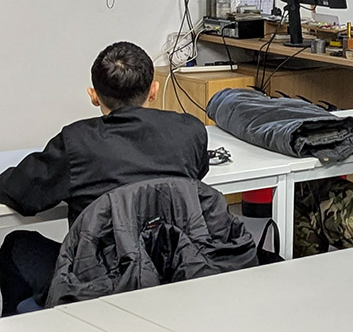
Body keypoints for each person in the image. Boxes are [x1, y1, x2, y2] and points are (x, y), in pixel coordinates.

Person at [0, 41, 209, 315]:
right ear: (154, 90)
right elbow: (195, 178)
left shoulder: (76, 142)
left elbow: (21, 194)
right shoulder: (191, 132)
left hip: (97, 284)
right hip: (176, 271)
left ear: (94, 96)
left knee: (17, 244)